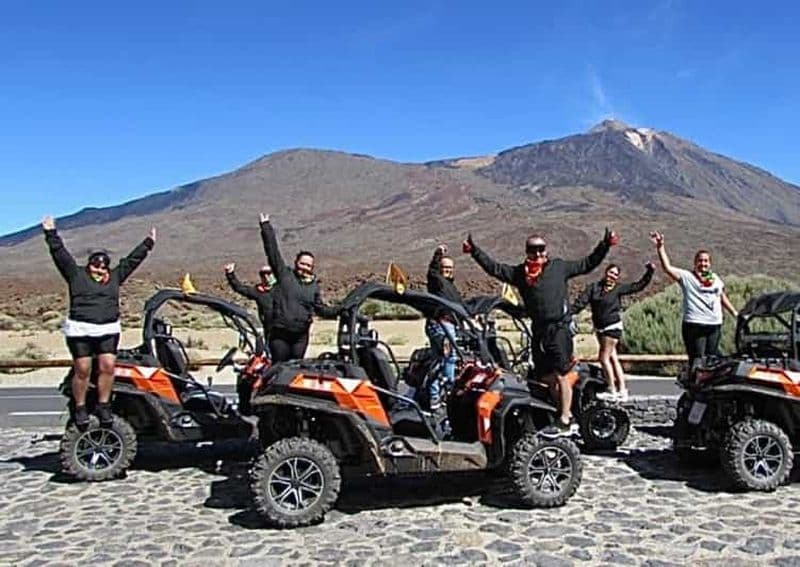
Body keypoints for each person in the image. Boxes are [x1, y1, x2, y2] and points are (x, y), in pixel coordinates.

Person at [464, 229, 615, 435]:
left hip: (559, 329)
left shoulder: (558, 267)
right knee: (545, 377)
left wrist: (605, 244)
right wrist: (475, 252)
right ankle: (557, 412)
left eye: (540, 249)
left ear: (546, 251)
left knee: (562, 374)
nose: (537, 254)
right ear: (526, 251)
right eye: (532, 250)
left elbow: (587, 264)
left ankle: (566, 419)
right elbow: (495, 269)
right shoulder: (520, 274)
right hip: (539, 331)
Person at [42, 215, 156, 430]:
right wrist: (50, 233)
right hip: (80, 329)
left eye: (103, 268)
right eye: (95, 267)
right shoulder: (75, 275)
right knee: (83, 368)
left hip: (107, 329)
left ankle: (104, 405)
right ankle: (81, 406)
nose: (99, 271)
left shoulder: (114, 277)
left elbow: (131, 262)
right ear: (89, 266)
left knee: (108, 366)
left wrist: (147, 244)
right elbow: (60, 255)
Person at [650, 231, 737, 367]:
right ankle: (695, 385)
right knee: (698, 358)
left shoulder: (715, 278)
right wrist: (660, 247)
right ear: (695, 262)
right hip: (695, 323)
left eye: (706, 261)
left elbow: (720, 295)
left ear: (710, 263)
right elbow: (667, 268)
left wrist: (734, 312)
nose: (703, 264)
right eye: (700, 260)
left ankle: (711, 386)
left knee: (712, 357)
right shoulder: (687, 277)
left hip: (714, 324)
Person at [259, 213, 339, 362]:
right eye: (303, 264)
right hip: (280, 334)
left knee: (296, 368)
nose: (305, 267)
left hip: (300, 336)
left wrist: (340, 310)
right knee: (280, 368)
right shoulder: (285, 275)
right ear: (296, 263)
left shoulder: (313, 286)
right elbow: (272, 252)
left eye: (309, 265)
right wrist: (266, 227)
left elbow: (320, 309)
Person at [571, 262, 655, 401]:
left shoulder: (618, 289)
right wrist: (568, 313)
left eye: (615, 274)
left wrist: (649, 273)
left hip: (612, 327)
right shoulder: (594, 288)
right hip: (600, 328)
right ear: (606, 272)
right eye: (611, 272)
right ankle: (622, 389)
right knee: (613, 358)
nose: (612, 276)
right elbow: (581, 302)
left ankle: (612, 389)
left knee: (603, 358)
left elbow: (638, 286)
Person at [425, 244, 462, 410]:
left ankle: (437, 396)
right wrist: (437, 254)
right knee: (448, 358)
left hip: (449, 324)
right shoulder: (437, 282)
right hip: (440, 325)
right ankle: (445, 393)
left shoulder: (451, 287)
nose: (447, 270)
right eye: (444, 267)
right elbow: (432, 272)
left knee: (441, 360)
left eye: (450, 268)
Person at [224, 262, 276, 341]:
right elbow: (240, 288)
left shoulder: (282, 289)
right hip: (269, 330)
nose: (266, 276)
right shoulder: (258, 292)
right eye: (262, 274)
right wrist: (230, 274)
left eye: (269, 273)